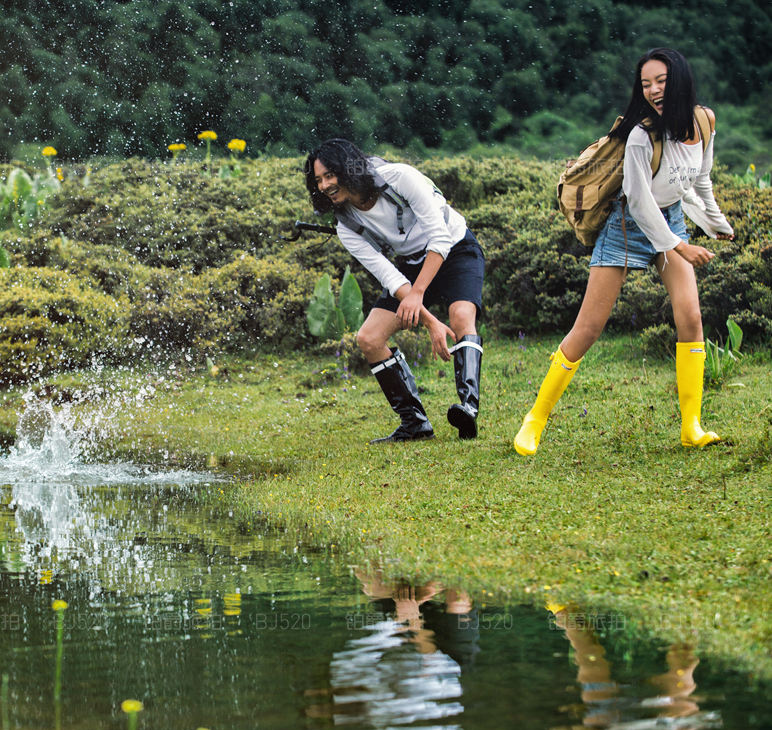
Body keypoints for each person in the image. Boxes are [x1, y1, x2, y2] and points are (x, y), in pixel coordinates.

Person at [513, 48, 735, 456]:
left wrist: (718, 225)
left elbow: (700, 180)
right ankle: (534, 420)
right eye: (646, 84)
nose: (653, 90)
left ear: (680, 79)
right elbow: (637, 199)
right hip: (627, 226)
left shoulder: (704, 120)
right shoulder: (640, 135)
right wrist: (680, 246)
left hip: (670, 218)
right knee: (588, 329)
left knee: (691, 317)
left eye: (661, 81)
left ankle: (692, 426)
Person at [304, 139, 488, 442]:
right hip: (410, 266)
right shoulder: (345, 223)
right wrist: (429, 322)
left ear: (348, 168)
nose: (324, 185)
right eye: (318, 180)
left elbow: (439, 237)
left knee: (461, 315)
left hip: (455, 248)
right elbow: (388, 274)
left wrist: (418, 295)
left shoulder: (400, 177)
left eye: (329, 175)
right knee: (369, 338)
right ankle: (415, 423)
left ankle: (468, 408)